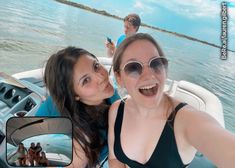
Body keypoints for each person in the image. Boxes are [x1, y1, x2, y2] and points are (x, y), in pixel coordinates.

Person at [108, 33, 235, 168]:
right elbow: (114, 158)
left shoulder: (188, 120)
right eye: (133, 67)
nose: (149, 75)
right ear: (119, 78)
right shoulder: (117, 110)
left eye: (156, 63)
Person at [35, 46, 120, 168]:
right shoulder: (79, 141)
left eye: (96, 66)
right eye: (86, 80)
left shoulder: (110, 97)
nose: (101, 77)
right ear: (75, 95)